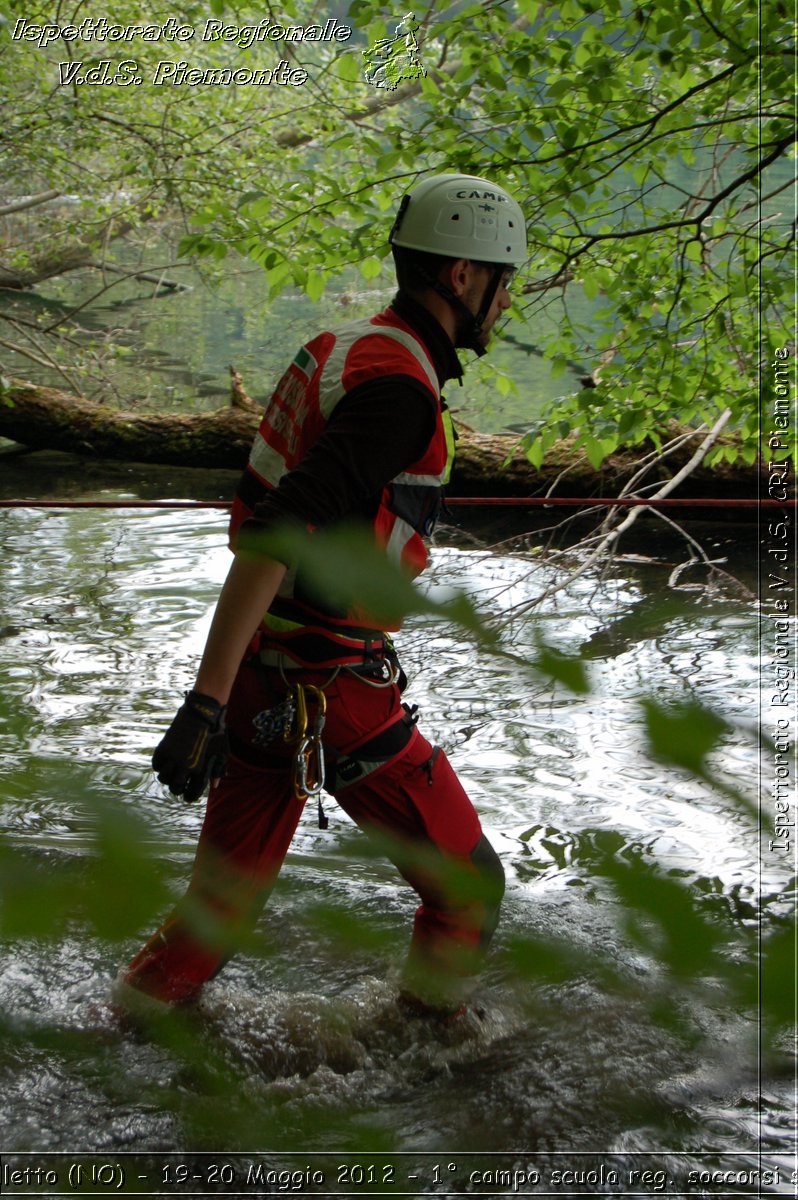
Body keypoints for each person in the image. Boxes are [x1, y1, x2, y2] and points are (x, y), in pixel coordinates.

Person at [116, 173, 527, 1021]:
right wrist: (199, 705)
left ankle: (124, 1031)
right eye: (502, 280)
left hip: (266, 680)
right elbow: (281, 529)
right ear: (460, 278)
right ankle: (421, 1052)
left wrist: (220, 702)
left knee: (215, 919)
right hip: (331, 691)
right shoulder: (398, 394)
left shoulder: (353, 346)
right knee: (470, 888)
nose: (506, 301)